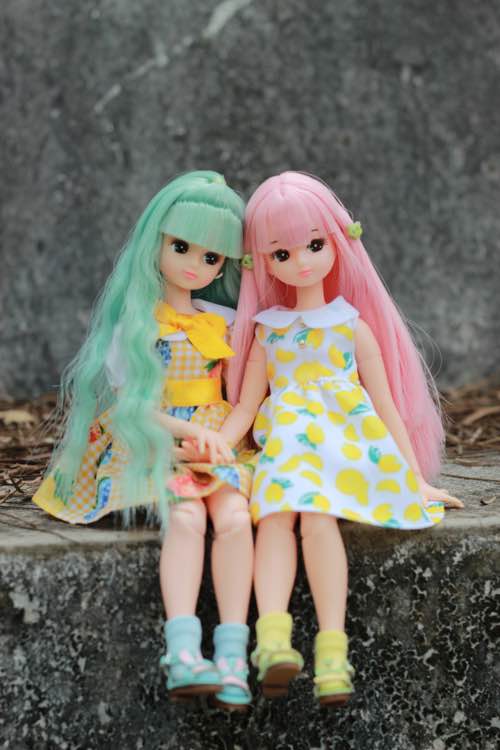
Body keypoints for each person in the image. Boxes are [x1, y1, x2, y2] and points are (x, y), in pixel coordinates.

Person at [218, 171, 462, 706]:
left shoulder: (351, 325)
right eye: (282, 253)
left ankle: (332, 651)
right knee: (276, 516)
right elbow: (246, 407)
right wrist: (218, 445)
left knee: (316, 519)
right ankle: (273, 639)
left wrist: (415, 478)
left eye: (314, 244)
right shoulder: (268, 329)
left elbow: (386, 405)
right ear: (264, 262)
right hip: (287, 447)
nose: (301, 262)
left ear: (338, 241)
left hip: (341, 448)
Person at [33, 171, 255, 710]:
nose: (194, 264)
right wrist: (187, 433)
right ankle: (182, 650)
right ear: (155, 242)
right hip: (151, 436)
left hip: (214, 437)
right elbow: (132, 406)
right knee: (187, 516)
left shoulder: (225, 321)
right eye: (181, 247)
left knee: (233, 517)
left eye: (211, 257)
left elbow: (241, 398)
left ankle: (233, 654)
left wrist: (217, 439)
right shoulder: (134, 325)